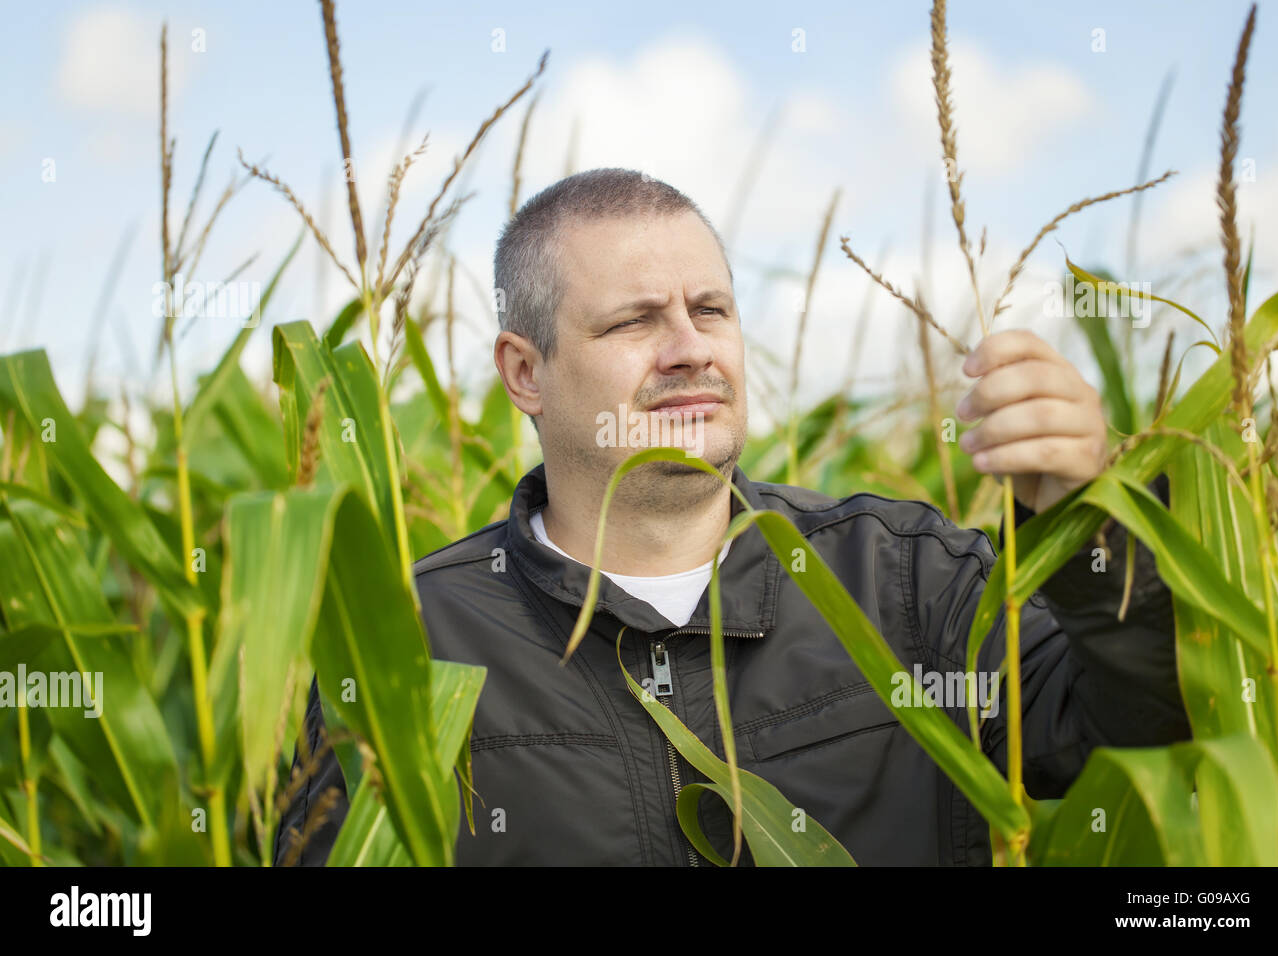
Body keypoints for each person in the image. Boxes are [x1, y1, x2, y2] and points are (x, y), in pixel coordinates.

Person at [273, 167, 1188, 866]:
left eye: (710, 308)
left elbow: (1146, 721)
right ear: (525, 372)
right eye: (635, 321)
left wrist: (1094, 522)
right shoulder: (403, 640)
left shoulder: (907, 580)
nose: (691, 349)